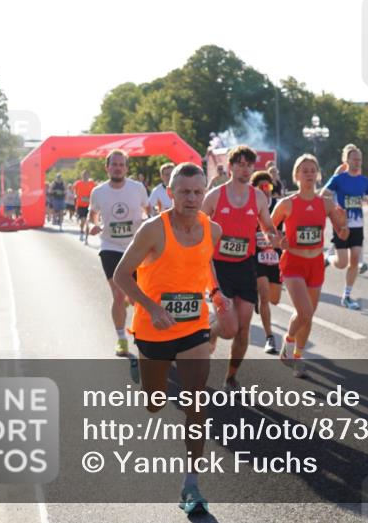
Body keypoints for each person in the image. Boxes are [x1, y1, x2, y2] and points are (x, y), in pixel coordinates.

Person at [112, 162, 228, 515]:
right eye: (184, 192)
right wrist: (150, 306)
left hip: (193, 328)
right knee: (154, 403)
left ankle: (190, 484)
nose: (192, 198)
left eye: (198, 191)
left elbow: (204, 264)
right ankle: (140, 367)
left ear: (204, 192)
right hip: (153, 329)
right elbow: (121, 274)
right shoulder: (153, 230)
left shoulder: (214, 229)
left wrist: (216, 294)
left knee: (197, 403)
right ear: (171, 193)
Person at [202, 145, 284, 389]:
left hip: (246, 267)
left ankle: (230, 376)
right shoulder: (215, 196)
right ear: (230, 167)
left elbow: (267, 226)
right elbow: (197, 224)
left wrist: (274, 237)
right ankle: (211, 331)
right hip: (219, 268)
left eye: (249, 165)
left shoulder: (258, 197)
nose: (245, 169)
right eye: (240, 164)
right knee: (229, 327)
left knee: (244, 327)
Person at [271, 154, 350, 378]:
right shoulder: (287, 203)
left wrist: (343, 224)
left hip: (316, 263)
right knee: (304, 311)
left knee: (307, 315)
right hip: (293, 262)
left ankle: (297, 357)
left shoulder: (325, 204)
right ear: (296, 175)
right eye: (304, 170)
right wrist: (277, 240)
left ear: (317, 175)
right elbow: (268, 228)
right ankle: (288, 343)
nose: (308, 174)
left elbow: (343, 234)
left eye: (312, 170)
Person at [88, 150, 150, 357]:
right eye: (113, 164)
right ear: (107, 168)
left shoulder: (137, 188)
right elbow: (92, 214)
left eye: (121, 164)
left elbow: (146, 210)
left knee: (137, 298)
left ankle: (142, 334)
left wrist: (148, 224)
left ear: (126, 167)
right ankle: (121, 338)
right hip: (110, 246)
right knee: (118, 294)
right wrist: (93, 225)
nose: (117, 167)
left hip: (135, 246)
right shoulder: (98, 191)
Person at [322, 144, 368, 310]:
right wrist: (334, 209)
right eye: (354, 159)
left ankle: (346, 296)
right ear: (346, 161)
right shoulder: (338, 179)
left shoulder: (364, 181)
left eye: (359, 159)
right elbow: (323, 194)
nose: (357, 162)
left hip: (358, 226)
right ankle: (327, 258)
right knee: (341, 263)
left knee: (354, 260)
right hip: (342, 224)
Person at [252, 171, 283, 354]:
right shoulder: (250, 206)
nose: (265, 190)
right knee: (264, 297)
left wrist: (283, 239)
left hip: (276, 257)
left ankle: (257, 299)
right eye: (261, 187)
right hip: (257, 258)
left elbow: (287, 228)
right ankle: (269, 337)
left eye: (268, 187)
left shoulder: (278, 205)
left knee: (275, 299)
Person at [74, 171, 96, 243]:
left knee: (88, 222)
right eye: (84, 175)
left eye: (87, 175)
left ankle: (86, 238)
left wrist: (90, 198)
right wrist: (76, 196)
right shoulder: (78, 183)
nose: (85, 176)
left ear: (89, 175)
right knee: (83, 220)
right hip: (80, 205)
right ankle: (81, 232)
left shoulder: (92, 184)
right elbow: (74, 191)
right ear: (82, 175)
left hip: (89, 205)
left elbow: (96, 192)